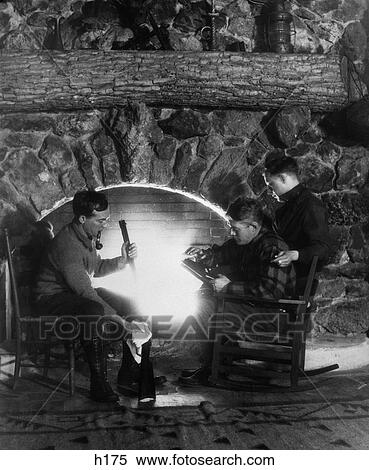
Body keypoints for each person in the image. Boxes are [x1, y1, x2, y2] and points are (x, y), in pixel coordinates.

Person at [33, 190, 163, 403]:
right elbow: (86, 292)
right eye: (101, 220)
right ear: (83, 218)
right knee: (93, 310)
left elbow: (97, 268)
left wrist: (121, 261)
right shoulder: (67, 246)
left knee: (131, 303)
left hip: (72, 292)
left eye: (108, 219)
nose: (105, 224)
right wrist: (123, 323)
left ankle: (129, 376)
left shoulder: (86, 234)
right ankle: (99, 384)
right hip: (51, 298)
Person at [179, 197, 296, 386]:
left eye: (236, 229)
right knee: (202, 298)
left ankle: (215, 366)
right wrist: (204, 256)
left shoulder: (271, 247)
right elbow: (221, 254)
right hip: (251, 306)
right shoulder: (245, 241)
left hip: (272, 314)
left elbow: (270, 292)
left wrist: (228, 287)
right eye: (230, 227)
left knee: (205, 307)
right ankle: (220, 362)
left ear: (253, 226)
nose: (231, 232)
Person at [263, 152, 330, 279]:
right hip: (280, 273)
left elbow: (323, 248)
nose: (270, 191)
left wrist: (294, 255)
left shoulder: (311, 205)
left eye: (271, 184)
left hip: (295, 277)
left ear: (283, 178)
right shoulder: (284, 208)